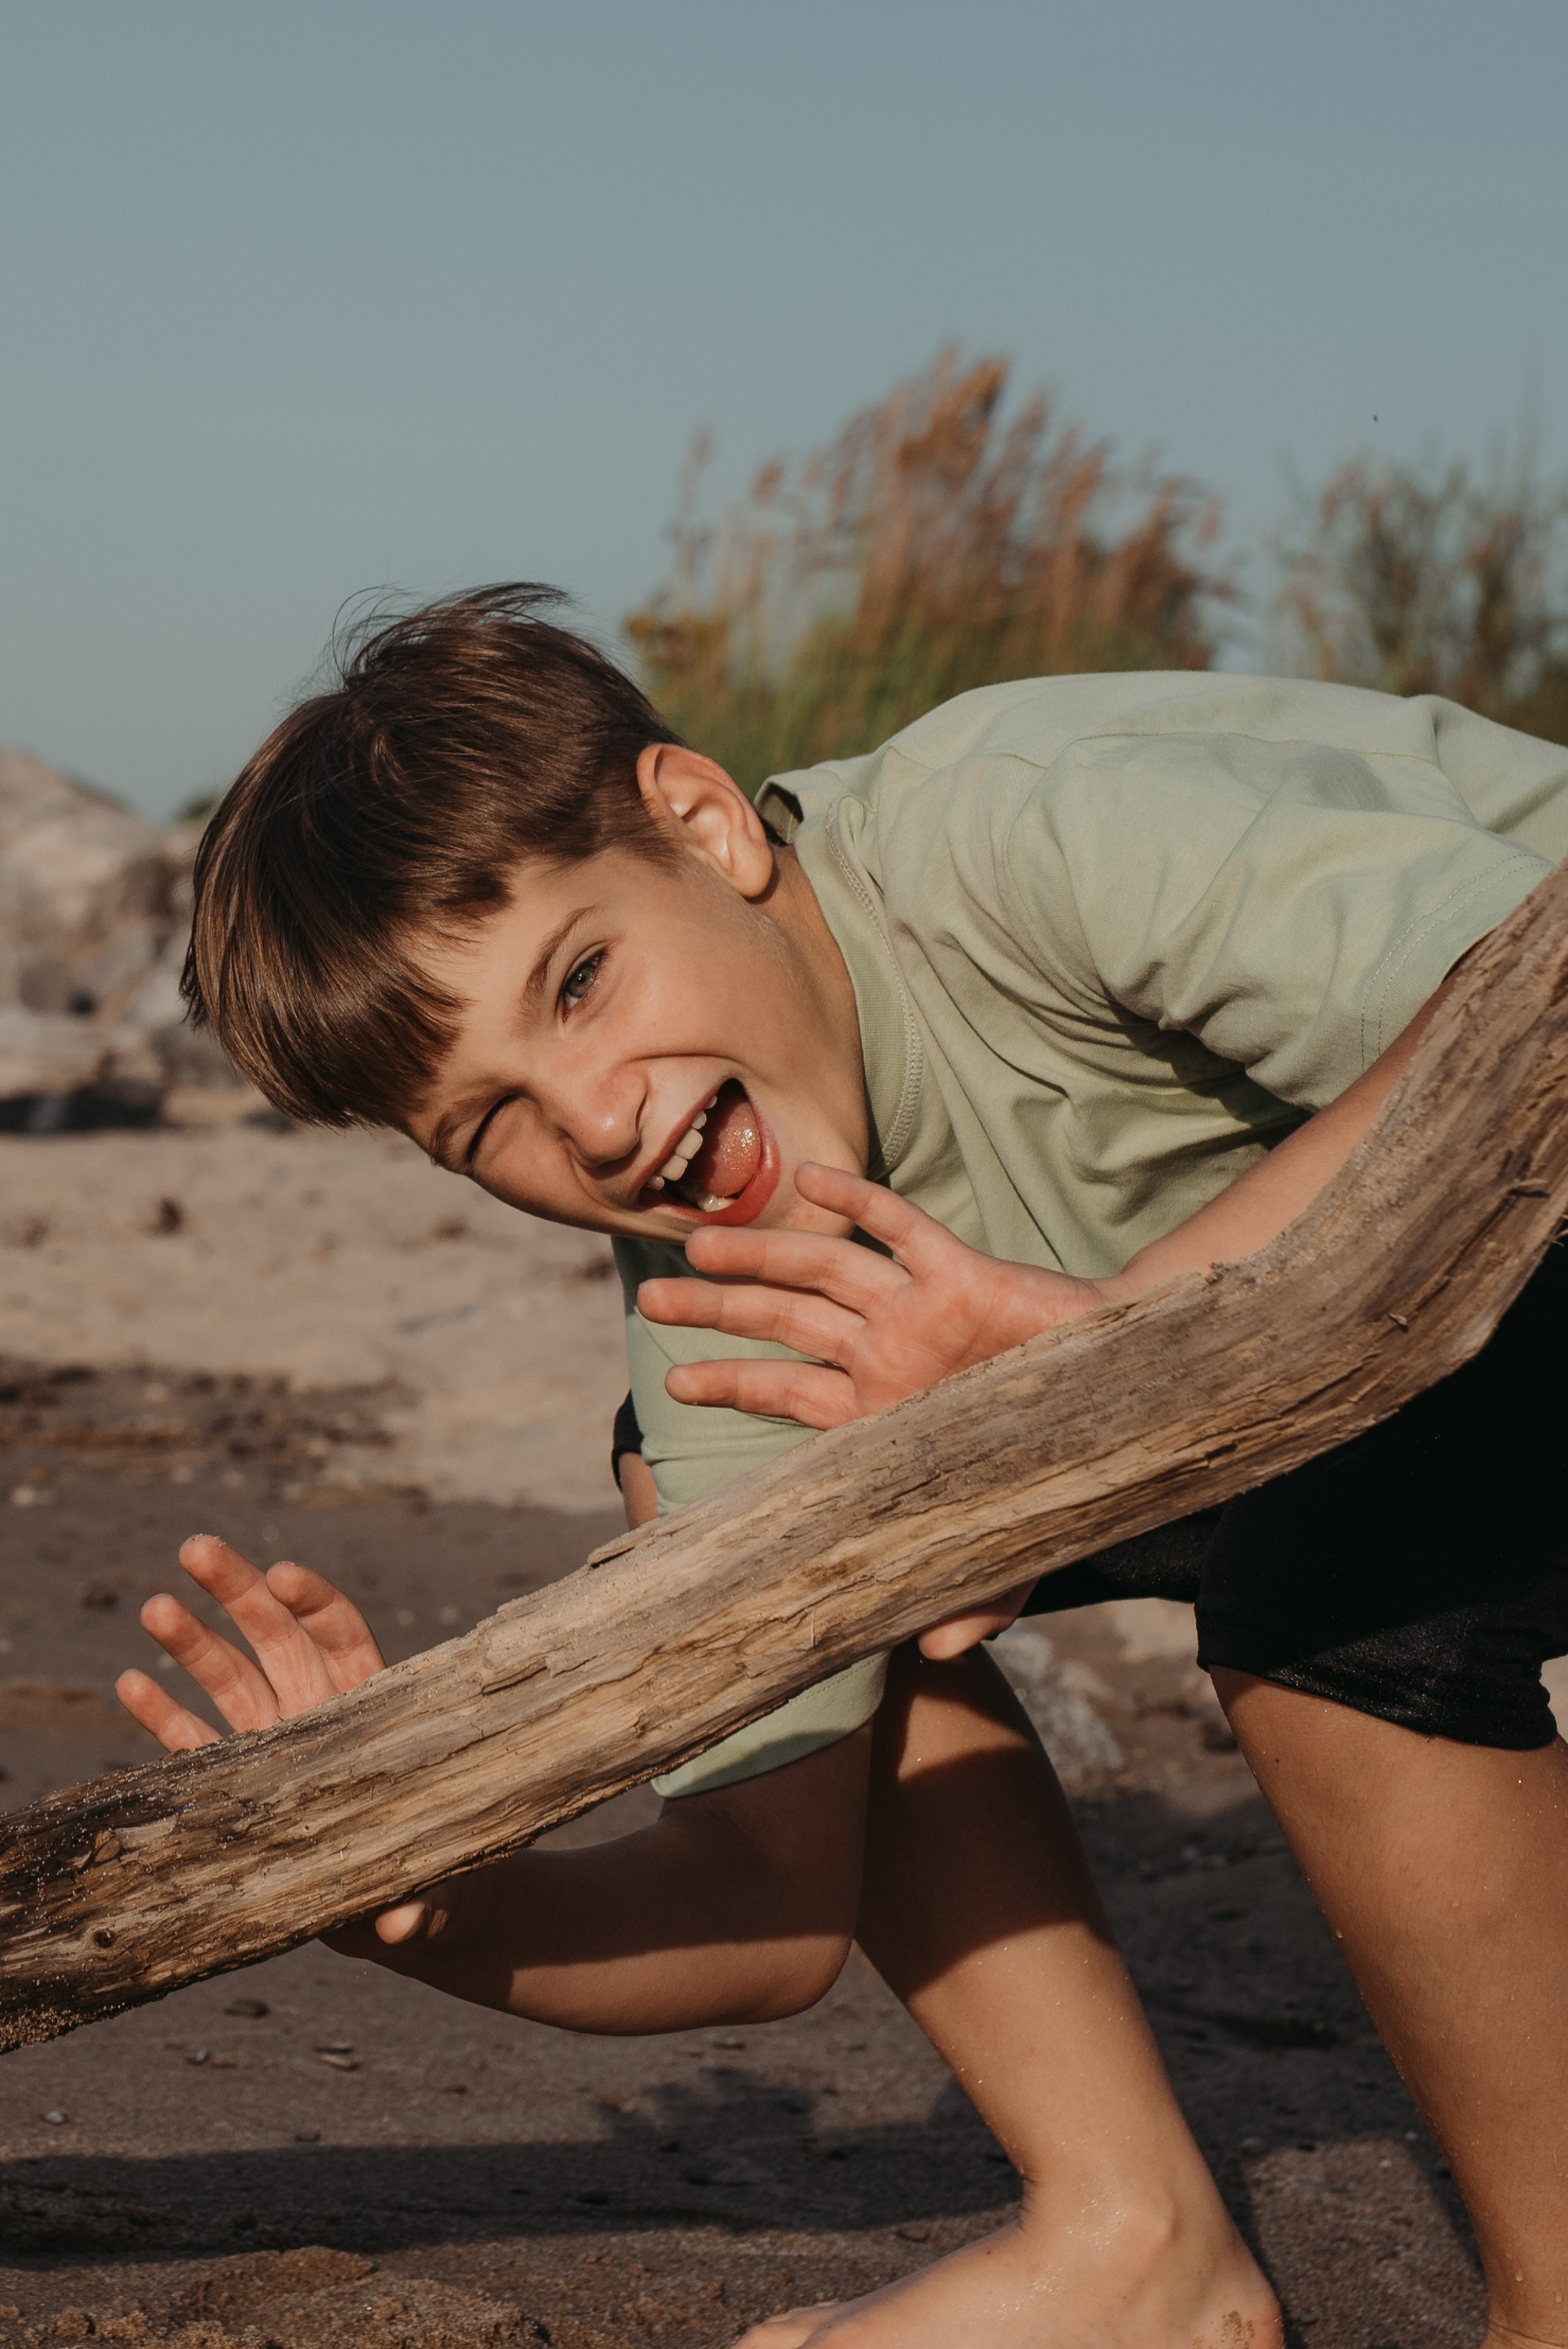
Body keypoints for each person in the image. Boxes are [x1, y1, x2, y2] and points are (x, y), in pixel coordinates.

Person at [118, 585, 1568, 2349]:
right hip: (1376, 1357)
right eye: (489, 1122)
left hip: (1515, 1185)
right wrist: (414, 1891)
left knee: (1330, 1563)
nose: (586, 1121)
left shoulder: (1016, 828)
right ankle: (1136, 2250)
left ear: (706, 825)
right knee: (778, 1533)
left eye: (580, 981)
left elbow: (1530, 1004)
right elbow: (765, 1907)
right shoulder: (719, 1309)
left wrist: (1104, 1354)